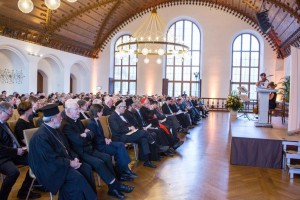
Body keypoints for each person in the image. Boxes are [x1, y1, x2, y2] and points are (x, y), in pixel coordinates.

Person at [61, 99, 134, 199]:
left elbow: (90, 134)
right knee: (99, 163)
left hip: (89, 148)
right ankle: (115, 186)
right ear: (68, 111)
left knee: (107, 157)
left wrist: (85, 135)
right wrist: (86, 135)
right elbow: (80, 141)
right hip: (80, 153)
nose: (79, 111)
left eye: (78, 108)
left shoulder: (77, 120)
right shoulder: (66, 125)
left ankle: (113, 188)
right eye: (76, 109)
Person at [28, 104, 97, 200]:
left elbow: (67, 148)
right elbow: (50, 159)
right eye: (60, 116)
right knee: (76, 178)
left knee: (86, 168)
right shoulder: (40, 137)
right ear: (52, 119)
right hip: (49, 168)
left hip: (62, 162)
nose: (62, 118)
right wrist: (70, 163)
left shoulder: (56, 130)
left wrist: (75, 157)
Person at [0, 101, 41, 200]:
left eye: (11, 114)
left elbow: (11, 140)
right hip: (3, 157)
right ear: (1, 111)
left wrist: (19, 148)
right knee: (14, 172)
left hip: (12, 153)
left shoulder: (4, 123)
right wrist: (16, 151)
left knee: (36, 160)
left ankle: (24, 191)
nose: (10, 116)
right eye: (9, 114)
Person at [87, 104, 138, 180]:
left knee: (120, 145)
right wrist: (105, 140)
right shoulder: (91, 123)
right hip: (99, 147)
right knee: (119, 150)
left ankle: (124, 170)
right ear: (97, 112)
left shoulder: (97, 120)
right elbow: (94, 139)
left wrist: (106, 139)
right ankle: (123, 172)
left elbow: (100, 135)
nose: (102, 113)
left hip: (103, 143)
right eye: (101, 111)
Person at [108, 100, 157, 168]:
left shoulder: (122, 114)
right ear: (119, 107)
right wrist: (129, 128)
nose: (125, 108)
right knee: (143, 132)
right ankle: (152, 141)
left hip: (128, 134)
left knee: (143, 139)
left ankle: (146, 160)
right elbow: (117, 130)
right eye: (124, 107)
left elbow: (128, 123)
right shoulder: (112, 117)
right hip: (120, 137)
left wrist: (132, 127)